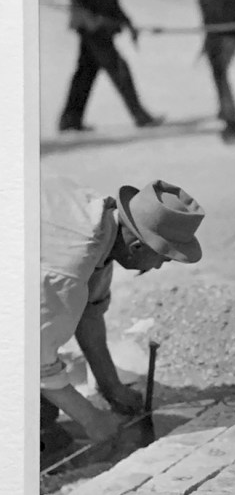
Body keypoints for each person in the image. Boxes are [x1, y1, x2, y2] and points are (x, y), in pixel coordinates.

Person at [40, 176, 205, 452]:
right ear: (137, 247)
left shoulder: (103, 226)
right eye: (163, 258)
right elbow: (32, 360)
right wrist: (92, 419)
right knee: (31, 406)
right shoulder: (67, 269)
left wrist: (111, 387)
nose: (160, 267)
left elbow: (89, 314)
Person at [56, 0, 163, 132]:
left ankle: (70, 119)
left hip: (100, 27)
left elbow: (111, 0)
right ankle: (140, 116)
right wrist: (96, 21)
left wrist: (127, 21)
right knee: (118, 68)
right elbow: (82, 3)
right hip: (92, 28)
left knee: (86, 72)